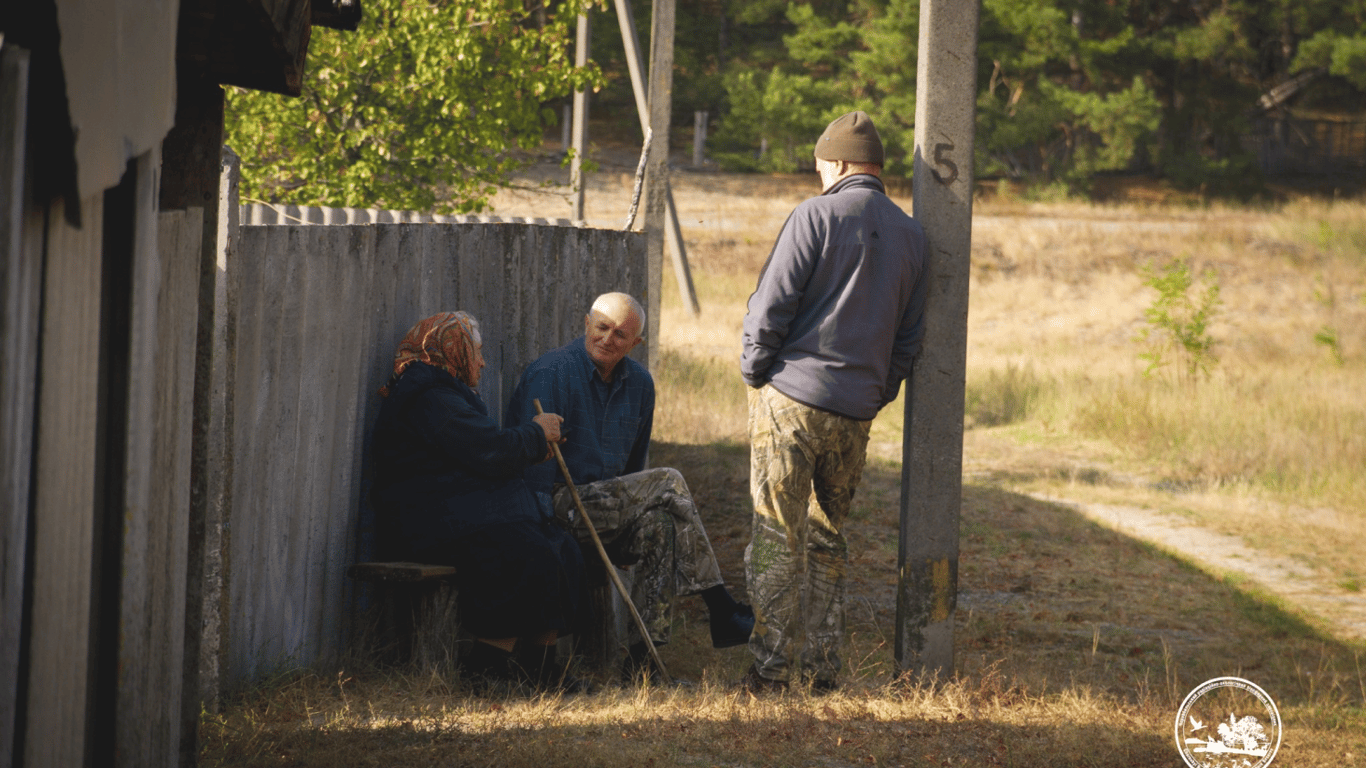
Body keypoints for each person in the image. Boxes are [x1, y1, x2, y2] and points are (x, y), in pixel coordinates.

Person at [739, 110, 928, 692]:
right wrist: (874, 392)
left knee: (776, 535)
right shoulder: (912, 235)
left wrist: (756, 370)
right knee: (827, 540)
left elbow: (771, 307)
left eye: (821, 165)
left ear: (842, 164)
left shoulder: (813, 215)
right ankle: (822, 673)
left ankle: (771, 673)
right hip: (854, 415)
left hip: (791, 400)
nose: (817, 175)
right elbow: (909, 338)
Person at [506, 292, 753, 674]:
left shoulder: (640, 384)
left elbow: (635, 471)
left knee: (660, 526)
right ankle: (719, 604)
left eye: (620, 335)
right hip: (556, 507)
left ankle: (643, 663)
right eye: (602, 328)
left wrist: (627, 518)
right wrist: (541, 534)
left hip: (609, 507)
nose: (607, 339)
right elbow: (531, 472)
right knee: (669, 480)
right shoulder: (551, 373)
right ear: (586, 323)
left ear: (636, 344)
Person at [369, 311, 584, 691]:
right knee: (521, 551)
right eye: (477, 352)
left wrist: (532, 447)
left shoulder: (445, 392)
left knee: (561, 546)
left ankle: (541, 668)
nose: (482, 362)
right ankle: (488, 669)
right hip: (425, 522)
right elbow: (488, 450)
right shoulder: (429, 397)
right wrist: (535, 435)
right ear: (454, 350)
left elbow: (481, 454)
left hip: (456, 515)